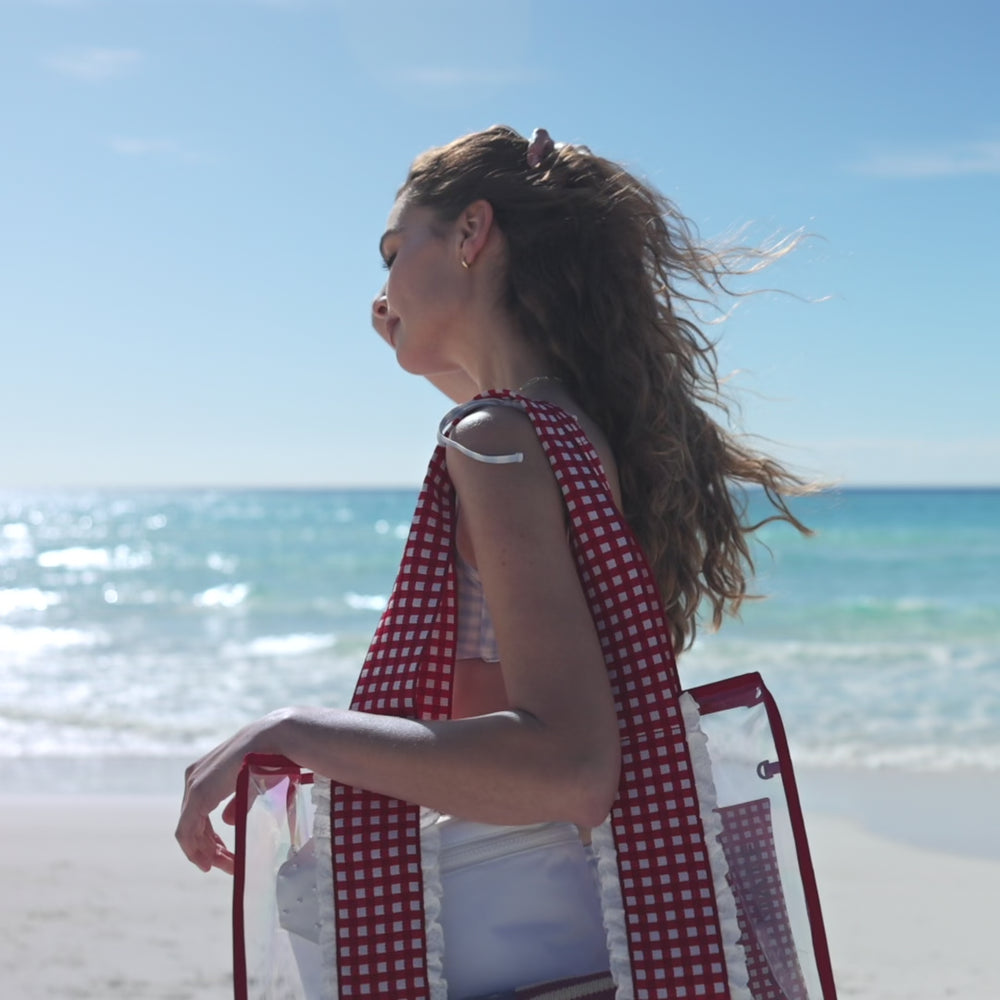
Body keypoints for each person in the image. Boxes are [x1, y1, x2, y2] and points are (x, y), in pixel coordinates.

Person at [176, 125, 813, 1000]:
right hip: (593, 936)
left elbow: (572, 771)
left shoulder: (497, 442)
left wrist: (286, 731)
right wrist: (437, 359)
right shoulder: (566, 430)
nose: (385, 285)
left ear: (472, 234)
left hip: (530, 945)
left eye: (396, 250)